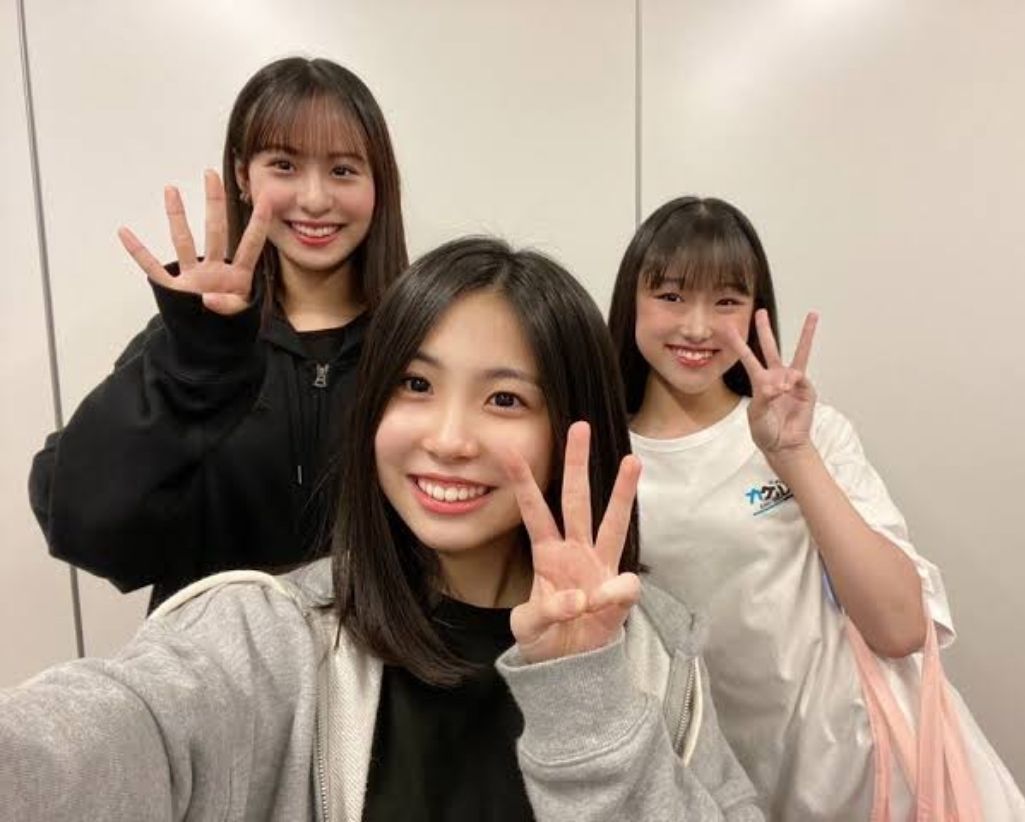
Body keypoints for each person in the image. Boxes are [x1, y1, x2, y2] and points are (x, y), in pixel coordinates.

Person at [0, 238, 762, 821]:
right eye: (416, 385)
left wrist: (586, 699)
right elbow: (118, 729)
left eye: (504, 400)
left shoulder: (654, 650)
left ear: (572, 427)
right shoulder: (274, 638)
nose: (449, 438)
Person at [607, 196, 1025, 820]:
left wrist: (794, 456)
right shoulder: (602, 458)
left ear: (755, 311)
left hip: (862, 767)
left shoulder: (811, 433)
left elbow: (901, 628)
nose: (698, 328)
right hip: (711, 783)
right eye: (671, 295)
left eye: (726, 301)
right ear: (633, 301)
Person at [28, 57, 408, 609]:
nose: (315, 198)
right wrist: (197, 359)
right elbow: (80, 520)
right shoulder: (193, 344)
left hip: (382, 658)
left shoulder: (421, 344)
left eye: (344, 170)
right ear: (243, 176)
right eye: (284, 165)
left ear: (378, 183)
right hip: (209, 658)